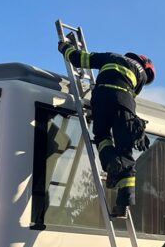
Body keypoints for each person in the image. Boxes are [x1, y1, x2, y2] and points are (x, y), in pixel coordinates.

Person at [58, 35, 155, 217]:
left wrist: (65, 47)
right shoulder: (141, 77)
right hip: (124, 105)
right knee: (125, 151)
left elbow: (80, 59)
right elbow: (127, 100)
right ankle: (124, 201)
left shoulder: (112, 57)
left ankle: (111, 163)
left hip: (100, 101)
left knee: (102, 137)